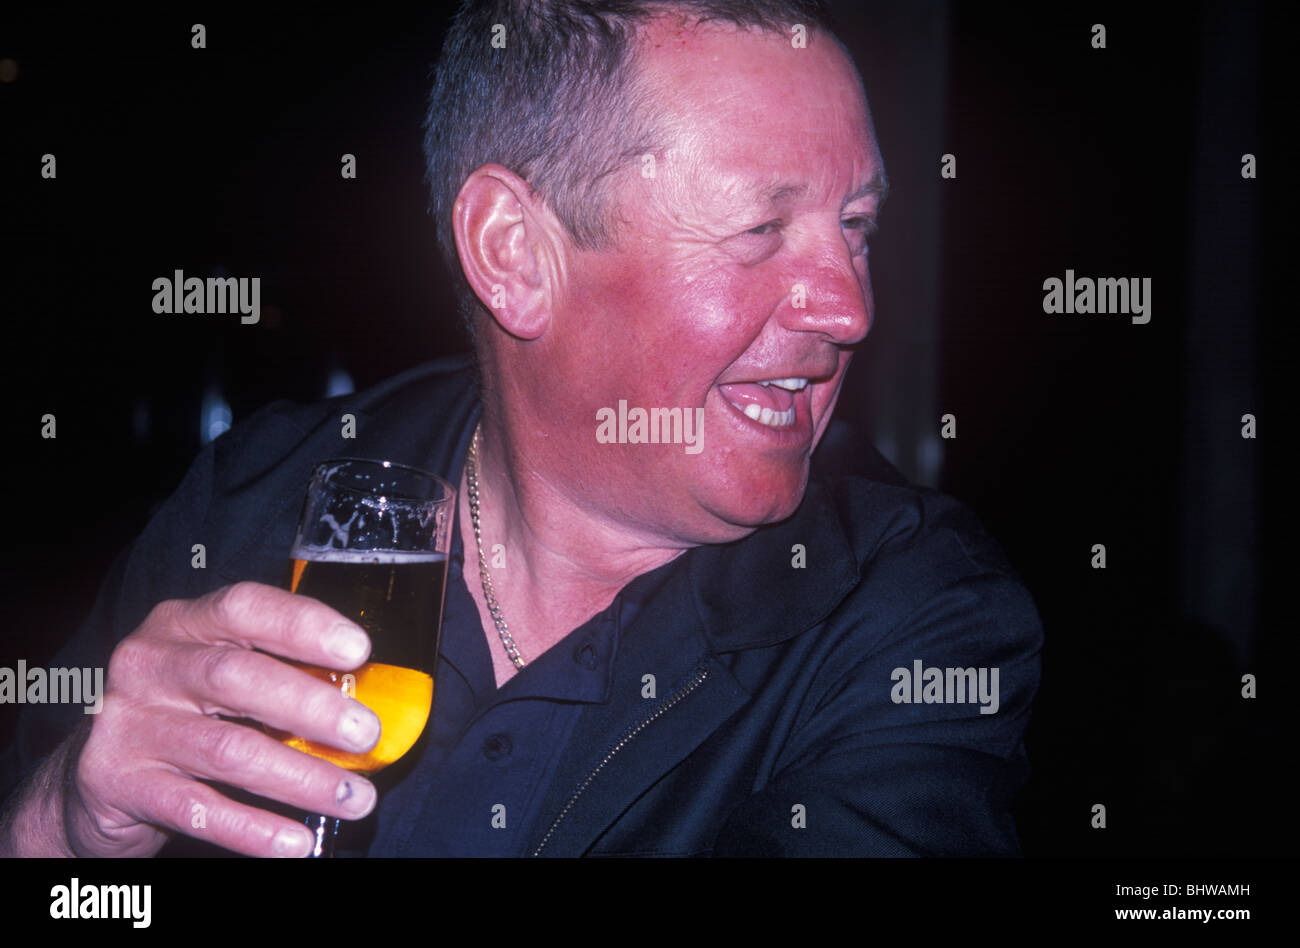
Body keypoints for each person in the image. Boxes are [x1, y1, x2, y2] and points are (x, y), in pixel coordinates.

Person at [0, 0, 1042, 857]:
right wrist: (68, 826)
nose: (848, 307)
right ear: (513, 255)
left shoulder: (911, 611)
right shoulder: (254, 497)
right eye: (760, 229)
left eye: (855, 228)